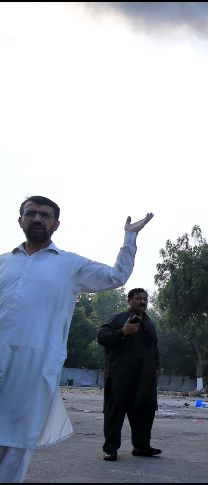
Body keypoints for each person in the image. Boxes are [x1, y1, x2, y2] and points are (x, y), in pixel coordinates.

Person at [0, 195, 153, 483]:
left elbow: (116, 276)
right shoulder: (3, 263)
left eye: (44, 215)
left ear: (55, 224)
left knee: (16, 443)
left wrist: (129, 238)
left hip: (34, 366)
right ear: (19, 220)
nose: (37, 219)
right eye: (30, 213)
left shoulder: (70, 265)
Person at [97, 288, 161, 461]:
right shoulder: (118, 319)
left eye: (145, 298)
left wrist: (156, 367)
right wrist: (123, 332)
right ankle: (110, 449)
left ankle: (141, 446)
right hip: (120, 377)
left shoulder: (149, 323)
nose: (142, 301)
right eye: (138, 298)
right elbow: (102, 337)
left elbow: (154, 347)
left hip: (145, 377)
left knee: (145, 411)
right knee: (115, 413)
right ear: (129, 301)